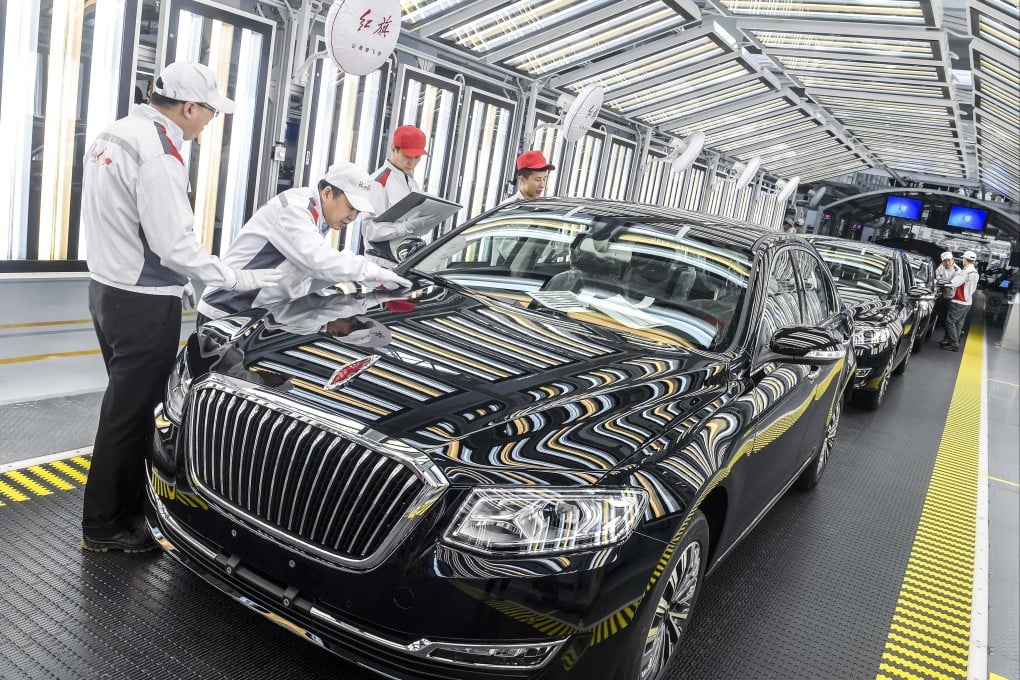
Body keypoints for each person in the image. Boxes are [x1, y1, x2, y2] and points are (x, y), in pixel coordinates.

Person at [80, 61, 283, 553]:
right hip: (144, 304)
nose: (209, 123)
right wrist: (239, 278)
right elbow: (175, 246)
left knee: (123, 410)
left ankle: (123, 510)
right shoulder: (162, 154)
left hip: (105, 290)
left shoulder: (114, 132)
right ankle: (105, 526)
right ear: (189, 107)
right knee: (129, 416)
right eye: (210, 113)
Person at [197, 163, 412, 322]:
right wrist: (375, 272)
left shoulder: (317, 217)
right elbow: (318, 261)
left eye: (358, 211)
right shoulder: (294, 210)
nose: (352, 217)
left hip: (257, 314)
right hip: (226, 311)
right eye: (350, 207)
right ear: (328, 193)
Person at [360, 125, 434, 265]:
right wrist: (405, 227)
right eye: (407, 156)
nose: (412, 162)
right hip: (382, 265)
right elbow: (369, 231)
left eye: (417, 157)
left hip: (406, 261)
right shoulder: (378, 182)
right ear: (393, 149)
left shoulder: (412, 183)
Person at [940, 250, 979, 352]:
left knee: (950, 321)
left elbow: (954, 283)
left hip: (959, 301)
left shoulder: (966, 272)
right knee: (959, 323)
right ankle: (952, 341)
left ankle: (954, 343)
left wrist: (940, 283)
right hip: (968, 302)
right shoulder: (975, 273)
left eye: (963, 259)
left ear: (965, 260)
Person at [932, 251, 960, 329]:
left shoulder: (957, 270)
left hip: (950, 295)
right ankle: (937, 323)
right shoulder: (941, 267)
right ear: (942, 261)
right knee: (937, 309)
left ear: (953, 260)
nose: (947, 262)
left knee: (946, 312)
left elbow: (953, 283)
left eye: (949, 260)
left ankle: (944, 326)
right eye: (945, 261)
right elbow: (937, 276)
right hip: (940, 293)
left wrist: (942, 282)